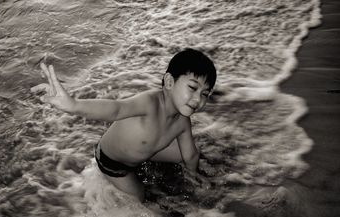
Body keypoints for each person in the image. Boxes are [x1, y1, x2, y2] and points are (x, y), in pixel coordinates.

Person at [31, 48, 217, 202]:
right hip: (114, 162)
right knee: (139, 196)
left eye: (205, 94)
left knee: (191, 152)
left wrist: (193, 180)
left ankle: (150, 163)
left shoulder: (183, 121)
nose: (197, 98)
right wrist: (73, 105)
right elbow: (116, 109)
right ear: (169, 82)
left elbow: (190, 154)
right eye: (192, 88)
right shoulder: (149, 103)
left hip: (147, 151)